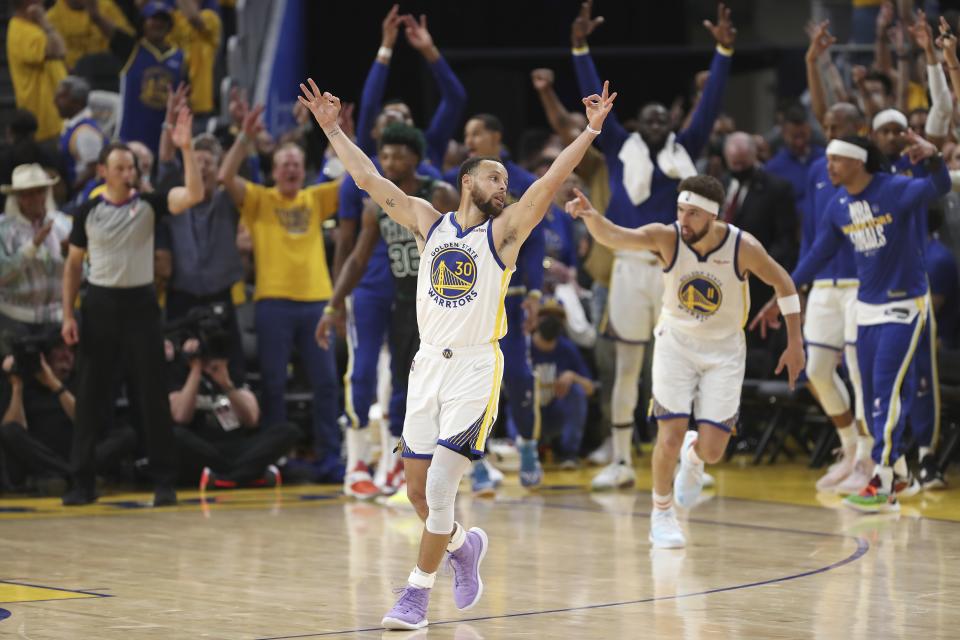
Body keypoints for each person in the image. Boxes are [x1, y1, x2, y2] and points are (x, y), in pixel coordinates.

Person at [298, 74, 615, 629]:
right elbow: (369, 179)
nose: (505, 187)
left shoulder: (506, 234)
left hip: (474, 365)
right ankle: (464, 547)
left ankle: (416, 594)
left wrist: (588, 132)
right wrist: (332, 129)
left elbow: (548, 182)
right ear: (468, 182)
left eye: (506, 180)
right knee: (417, 492)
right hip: (427, 365)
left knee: (442, 485)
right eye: (495, 178)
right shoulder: (429, 221)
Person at [568, 175, 804, 548]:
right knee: (669, 435)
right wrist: (590, 216)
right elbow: (617, 237)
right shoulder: (668, 237)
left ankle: (694, 458)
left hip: (724, 350)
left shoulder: (743, 246)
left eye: (693, 213)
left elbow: (784, 283)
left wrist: (795, 343)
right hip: (675, 343)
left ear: (713, 215)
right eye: (680, 210)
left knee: (713, 450)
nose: (684, 219)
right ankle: (661, 513)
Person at [570, 0, 735, 491]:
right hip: (627, 267)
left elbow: (711, 102)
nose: (660, 123)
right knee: (627, 366)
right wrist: (579, 48)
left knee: (684, 364)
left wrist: (724, 50)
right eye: (651, 119)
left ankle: (691, 460)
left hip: (675, 269)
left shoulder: (689, 148)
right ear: (638, 125)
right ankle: (621, 460)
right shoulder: (621, 147)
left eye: (666, 118)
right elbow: (592, 103)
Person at [755, 133, 950, 513]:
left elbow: (939, 185)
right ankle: (900, 472)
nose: (828, 166)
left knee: (883, 394)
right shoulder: (839, 205)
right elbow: (816, 256)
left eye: (836, 160)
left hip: (904, 305)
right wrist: (784, 295)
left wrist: (934, 157)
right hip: (865, 307)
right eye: (827, 159)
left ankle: (882, 480)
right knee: (874, 394)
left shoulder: (895, 189)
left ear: (858, 161)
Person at [331, 7, 465, 497]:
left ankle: (397, 459)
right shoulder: (364, 176)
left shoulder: (428, 177)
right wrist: (385, 47)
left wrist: (426, 48)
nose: (390, 144)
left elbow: (455, 97)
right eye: (383, 141)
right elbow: (351, 244)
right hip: (368, 284)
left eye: (399, 135)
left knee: (411, 379)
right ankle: (357, 464)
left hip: (417, 292)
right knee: (363, 373)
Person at [60, 108, 203, 506]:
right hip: (100, 303)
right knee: (90, 397)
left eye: (132, 166)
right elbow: (73, 266)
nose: (128, 172)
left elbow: (194, 195)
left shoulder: (149, 204)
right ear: (104, 172)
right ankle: (82, 482)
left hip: (141, 305)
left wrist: (187, 148)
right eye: (120, 167)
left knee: (152, 394)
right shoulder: (87, 211)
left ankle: (163, 480)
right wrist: (68, 314)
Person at [318, 123, 458, 498]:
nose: (392, 161)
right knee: (377, 375)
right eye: (386, 155)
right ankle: (369, 463)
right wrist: (333, 304)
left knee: (416, 386)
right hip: (400, 297)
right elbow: (357, 259)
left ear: (417, 158)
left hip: (435, 303)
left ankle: (408, 462)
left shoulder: (439, 194)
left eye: (400, 154)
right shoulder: (376, 206)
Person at [218, 106, 343, 475]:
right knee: (273, 384)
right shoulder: (259, 200)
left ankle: (331, 458)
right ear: (273, 172)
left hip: (317, 302)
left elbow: (357, 177)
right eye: (283, 163)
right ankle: (274, 458)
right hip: (272, 303)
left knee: (326, 383)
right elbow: (226, 176)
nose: (289, 168)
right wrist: (244, 137)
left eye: (295, 163)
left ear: (303, 171)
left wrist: (338, 134)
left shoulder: (315, 198)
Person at [442, 111, 550, 491]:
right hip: (471, 296)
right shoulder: (461, 182)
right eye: (466, 133)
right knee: (473, 380)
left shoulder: (520, 181)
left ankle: (528, 448)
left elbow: (534, 244)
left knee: (519, 377)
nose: (468, 139)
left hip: (513, 295)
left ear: (496, 137)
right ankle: (478, 463)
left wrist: (536, 292)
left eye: (476, 133)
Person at [798, 103, 874, 495]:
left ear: (858, 129)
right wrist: (798, 284)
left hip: (861, 283)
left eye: (836, 125)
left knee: (860, 374)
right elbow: (811, 235)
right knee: (816, 372)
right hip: (823, 286)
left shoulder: (870, 171)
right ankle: (848, 450)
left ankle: (868, 458)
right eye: (825, 125)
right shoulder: (817, 170)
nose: (828, 131)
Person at [1, 336, 135, 494]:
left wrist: (54, 384)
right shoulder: (27, 382)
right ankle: (75, 475)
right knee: (8, 430)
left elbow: (87, 422)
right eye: (60, 349)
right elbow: (13, 429)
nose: (66, 355)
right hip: (42, 457)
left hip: (78, 452)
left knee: (127, 434)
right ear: (45, 355)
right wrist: (17, 386)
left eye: (71, 350)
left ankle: (69, 474)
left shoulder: (82, 380)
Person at [167, 337, 300, 490]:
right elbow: (181, 416)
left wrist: (226, 384)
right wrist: (195, 371)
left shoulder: (233, 373)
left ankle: (226, 479)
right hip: (203, 447)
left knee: (289, 431)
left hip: (238, 446)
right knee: (175, 435)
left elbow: (251, 419)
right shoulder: (180, 375)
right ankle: (248, 475)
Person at [87, 0, 186, 156]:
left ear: (170, 25)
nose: (158, 24)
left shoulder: (180, 57)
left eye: (163, 20)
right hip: (132, 139)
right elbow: (97, 18)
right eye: (153, 19)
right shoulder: (130, 48)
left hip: (167, 140)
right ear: (143, 23)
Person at [0, 164, 73, 331]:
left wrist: (68, 255)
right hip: (15, 316)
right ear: (17, 197)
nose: (36, 198)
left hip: (57, 316)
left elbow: (81, 274)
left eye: (40, 191)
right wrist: (33, 245)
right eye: (28, 194)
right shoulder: (3, 229)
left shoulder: (62, 223)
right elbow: (2, 275)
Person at [530, 307, 596, 467]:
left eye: (556, 318)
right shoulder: (523, 347)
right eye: (545, 316)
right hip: (529, 415)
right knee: (518, 394)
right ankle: (522, 450)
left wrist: (573, 377)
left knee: (576, 391)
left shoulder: (567, 349)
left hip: (556, 415)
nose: (551, 321)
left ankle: (569, 454)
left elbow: (590, 388)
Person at [7, 0, 68, 142]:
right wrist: (45, 22)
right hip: (45, 122)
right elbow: (59, 50)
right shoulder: (21, 32)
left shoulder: (32, 27)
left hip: (56, 118)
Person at [45, 0, 134, 71]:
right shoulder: (51, 18)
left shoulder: (106, 6)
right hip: (72, 78)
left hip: (109, 74)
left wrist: (97, 17)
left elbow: (129, 44)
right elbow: (53, 61)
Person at [55, 76, 107, 194]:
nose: (55, 101)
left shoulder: (85, 132)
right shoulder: (71, 126)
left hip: (86, 195)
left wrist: (70, 190)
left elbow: (94, 170)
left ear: (77, 101)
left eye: (62, 97)